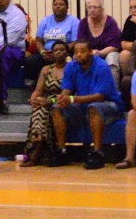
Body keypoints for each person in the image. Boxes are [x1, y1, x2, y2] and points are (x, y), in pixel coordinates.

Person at [52, 40, 124, 169]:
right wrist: (62, 98)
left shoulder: (102, 67)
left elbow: (100, 96)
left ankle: (98, 153)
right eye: (76, 52)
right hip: (83, 104)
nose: (78, 54)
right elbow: (67, 90)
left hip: (109, 104)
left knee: (94, 107)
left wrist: (72, 99)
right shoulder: (71, 66)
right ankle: (61, 151)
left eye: (82, 51)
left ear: (90, 52)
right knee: (57, 108)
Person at [21, 41, 70, 167]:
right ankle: (39, 143)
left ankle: (34, 153)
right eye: (56, 50)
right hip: (45, 102)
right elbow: (38, 90)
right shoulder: (46, 69)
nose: (58, 52)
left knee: (42, 111)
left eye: (62, 50)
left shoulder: (71, 69)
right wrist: (34, 99)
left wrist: (48, 101)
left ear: (67, 53)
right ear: (51, 53)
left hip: (62, 102)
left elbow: (68, 93)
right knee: (39, 110)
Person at [26, 0, 80, 85]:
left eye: (61, 4)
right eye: (55, 4)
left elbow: (75, 41)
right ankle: (35, 86)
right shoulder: (45, 21)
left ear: (67, 8)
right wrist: (42, 52)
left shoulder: (74, 21)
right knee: (31, 61)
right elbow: (38, 40)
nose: (57, 7)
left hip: (65, 53)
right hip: (47, 53)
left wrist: (60, 52)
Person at [76, 0, 122, 85]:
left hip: (107, 53)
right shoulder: (83, 23)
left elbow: (115, 46)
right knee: (77, 57)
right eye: (89, 7)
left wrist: (100, 53)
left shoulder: (111, 22)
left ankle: (112, 90)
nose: (92, 10)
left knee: (112, 58)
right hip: (88, 53)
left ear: (102, 9)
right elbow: (80, 43)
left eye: (95, 7)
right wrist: (89, 53)